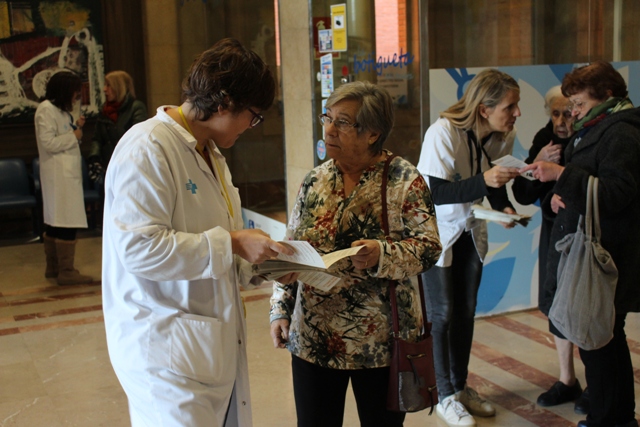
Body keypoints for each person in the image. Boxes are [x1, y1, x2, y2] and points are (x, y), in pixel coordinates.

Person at [102, 38, 294, 427]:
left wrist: (261, 266)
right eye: (253, 116)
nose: (252, 128)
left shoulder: (211, 153)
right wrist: (233, 243)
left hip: (204, 349)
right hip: (165, 355)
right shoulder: (148, 148)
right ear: (223, 101)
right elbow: (139, 249)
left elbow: (218, 246)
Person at [269, 81, 442, 427]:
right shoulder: (315, 181)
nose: (329, 129)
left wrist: (383, 253)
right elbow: (291, 248)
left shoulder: (404, 180)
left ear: (373, 133)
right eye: (328, 117)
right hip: (314, 337)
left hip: (380, 342)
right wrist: (280, 309)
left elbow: (429, 248)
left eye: (343, 122)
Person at [522, 61, 640, 427]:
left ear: (606, 95)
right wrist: (562, 193)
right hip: (596, 252)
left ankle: (611, 417)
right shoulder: (599, 127)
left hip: (607, 256)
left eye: (579, 103)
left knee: (599, 341)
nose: (572, 112)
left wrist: (562, 175)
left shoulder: (621, 132)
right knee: (604, 339)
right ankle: (615, 415)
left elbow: (617, 193)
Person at [416, 69, 522, 427]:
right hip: (439, 235)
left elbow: (492, 184)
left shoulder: (498, 136)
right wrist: (483, 180)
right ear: (483, 108)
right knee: (442, 315)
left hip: (470, 233)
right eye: (511, 106)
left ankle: (459, 388)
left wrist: (505, 209)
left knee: (465, 313)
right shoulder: (442, 133)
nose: (517, 113)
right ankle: (444, 394)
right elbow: (433, 193)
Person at [512, 85, 590, 414]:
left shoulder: (590, 136)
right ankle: (567, 379)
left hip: (586, 236)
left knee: (585, 308)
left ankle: (597, 384)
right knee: (555, 303)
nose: (560, 121)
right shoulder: (546, 137)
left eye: (566, 112)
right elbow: (522, 192)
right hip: (553, 233)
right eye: (554, 113)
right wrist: (538, 161)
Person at [34, 71, 93, 285]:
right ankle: (65, 271)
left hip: (65, 175)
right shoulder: (45, 110)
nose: (77, 96)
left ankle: (56, 268)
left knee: (59, 220)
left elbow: (63, 135)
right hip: (58, 177)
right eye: (75, 91)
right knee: (63, 220)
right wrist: (73, 136)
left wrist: (75, 127)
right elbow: (49, 142)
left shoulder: (60, 112)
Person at [87, 70, 148, 184]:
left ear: (119, 87)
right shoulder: (104, 110)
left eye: (108, 85)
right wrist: (94, 158)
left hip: (129, 168)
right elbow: (97, 138)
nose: (104, 89)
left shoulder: (136, 108)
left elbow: (138, 140)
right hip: (107, 168)